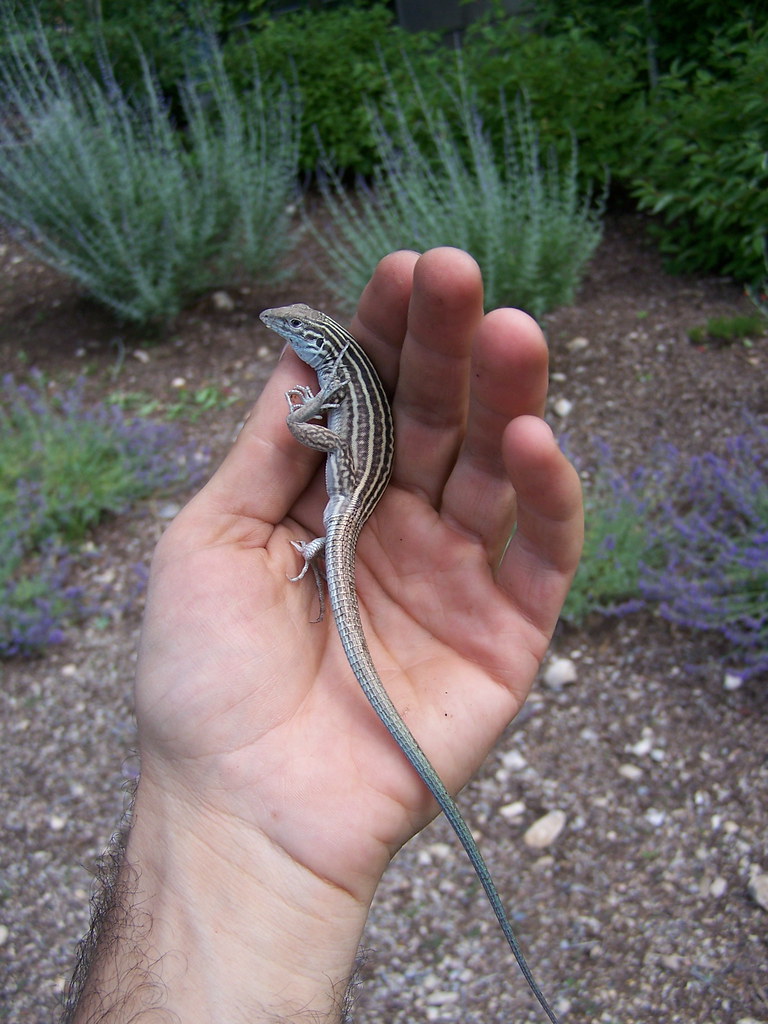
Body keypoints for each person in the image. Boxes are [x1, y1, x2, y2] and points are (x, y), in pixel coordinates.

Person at [63, 247, 583, 1023]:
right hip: (350, 501)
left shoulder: (336, 378)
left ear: (319, 347)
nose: (282, 335)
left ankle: (318, 552)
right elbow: (343, 420)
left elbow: (332, 435)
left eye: (293, 332)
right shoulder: (340, 371)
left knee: (335, 500)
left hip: (351, 493)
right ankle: (317, 554)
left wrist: (306, 416)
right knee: (335, 532)